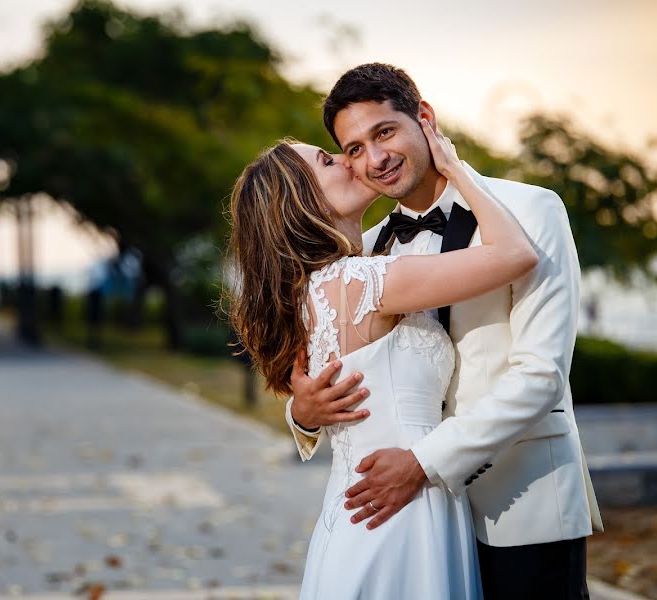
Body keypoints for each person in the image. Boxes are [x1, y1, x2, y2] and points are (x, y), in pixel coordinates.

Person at [287, 63, 603, 599]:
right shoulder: (365, 249)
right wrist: (303, 415)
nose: (376, 159)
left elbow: (541, 375)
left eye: (384, 132)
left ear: (424, 118)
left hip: (521, 501)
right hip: (413, 518)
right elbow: (334, 364)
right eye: (355, 148)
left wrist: (423, 463)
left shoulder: (529, 210)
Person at [227, 115, 538, 597]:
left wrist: (301, 413)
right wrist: (455, 167)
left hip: (363, 507)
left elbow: (328, 390)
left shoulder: (323, 284)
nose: (356, 162)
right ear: (302, 201)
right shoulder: (360, 283)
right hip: (402, 509)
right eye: (331, 160)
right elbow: (515, 254)